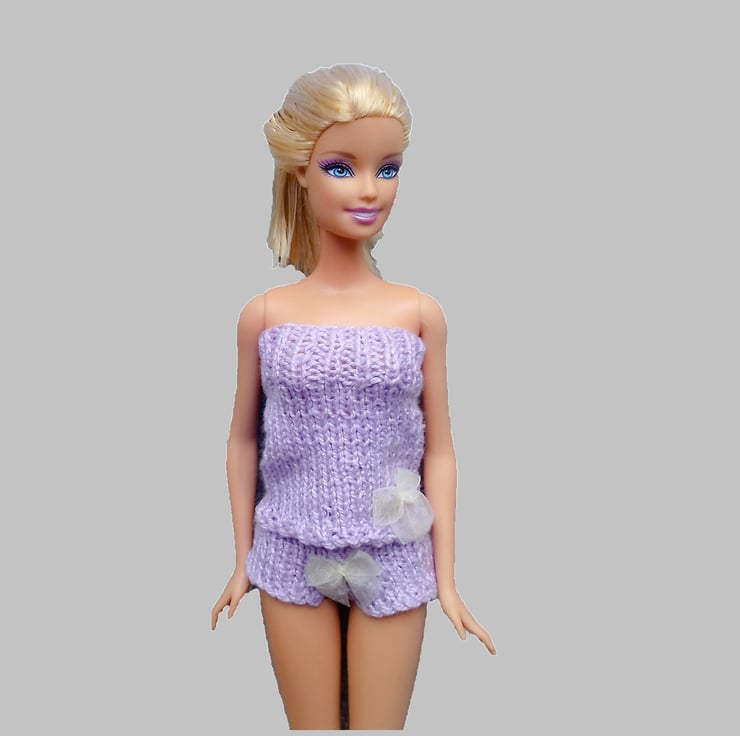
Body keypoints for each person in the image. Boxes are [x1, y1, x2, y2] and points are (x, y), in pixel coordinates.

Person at [211, 63, 495, 730]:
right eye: (342, 167)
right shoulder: (264, 315)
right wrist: (242, 559)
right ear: (299, 172)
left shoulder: (418, 313)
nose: (370, 189)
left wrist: (447, 579)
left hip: (395, 552)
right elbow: (243, 439)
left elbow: (440, 449)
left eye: (388, 168)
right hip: (289, 549)